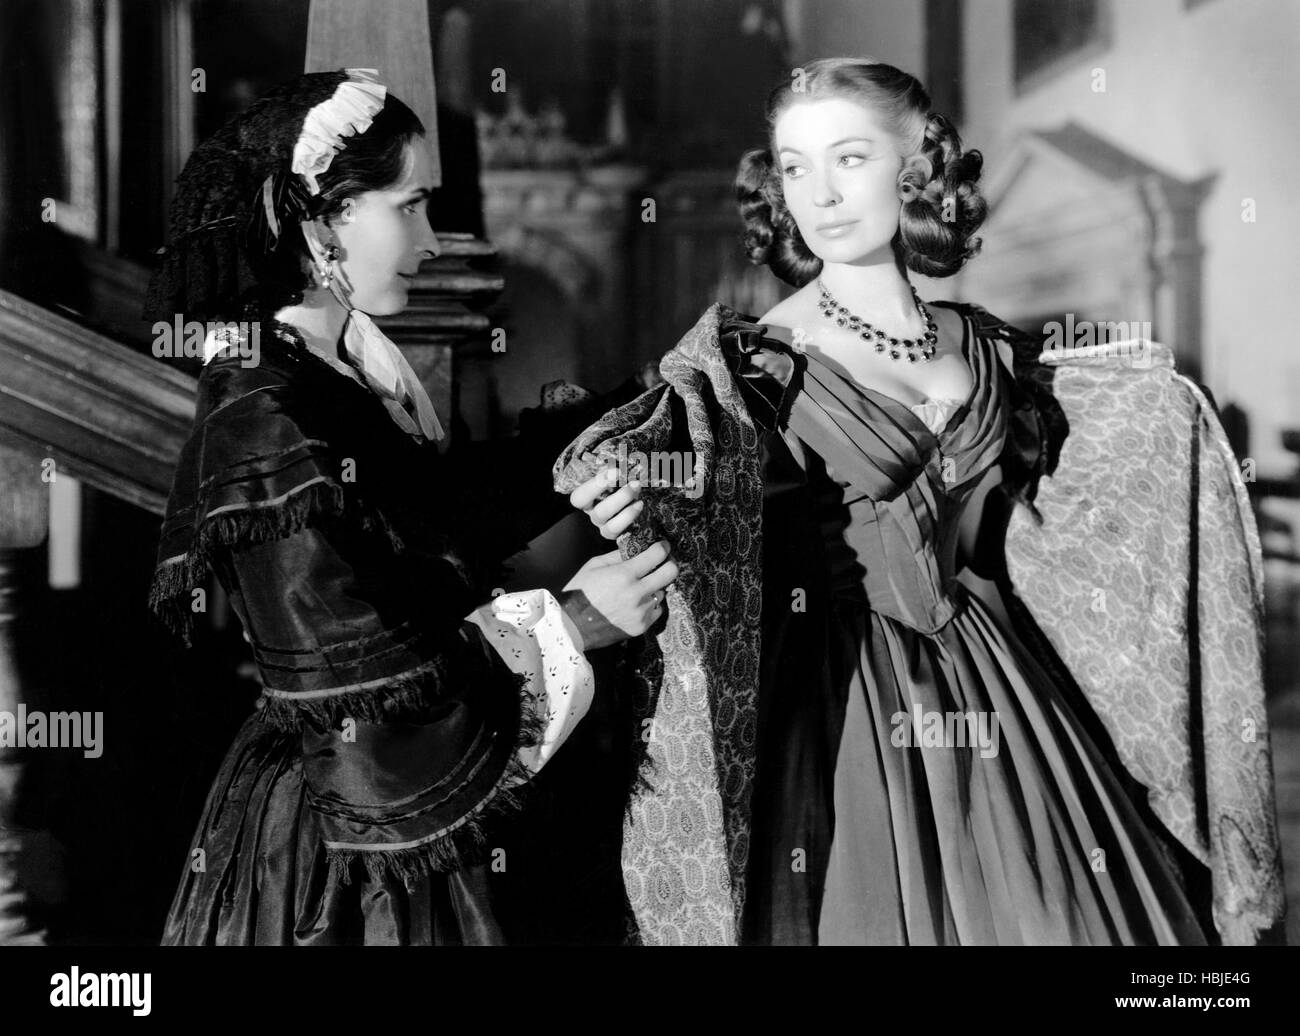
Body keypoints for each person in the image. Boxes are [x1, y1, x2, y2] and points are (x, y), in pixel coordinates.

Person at [559, 58, 1282, 945]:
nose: (818, 194)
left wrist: (1167, 415)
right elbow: (679, 460)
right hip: (831, 689)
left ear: (915, 169)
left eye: (849, 159)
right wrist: (628, 491)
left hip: (995, 676)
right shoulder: (752, 361)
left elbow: (1050, 488)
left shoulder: (986, 348)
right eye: (795, 167)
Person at [144, 68, 677, 945]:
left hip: (397, 824)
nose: (433, 241)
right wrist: (575, 622)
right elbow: (373, 702)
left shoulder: (335, 368)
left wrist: (590, 443)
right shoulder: (266, 421)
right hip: (350, 841)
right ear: (322, 221)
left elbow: (432, 515)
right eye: (412, 206)